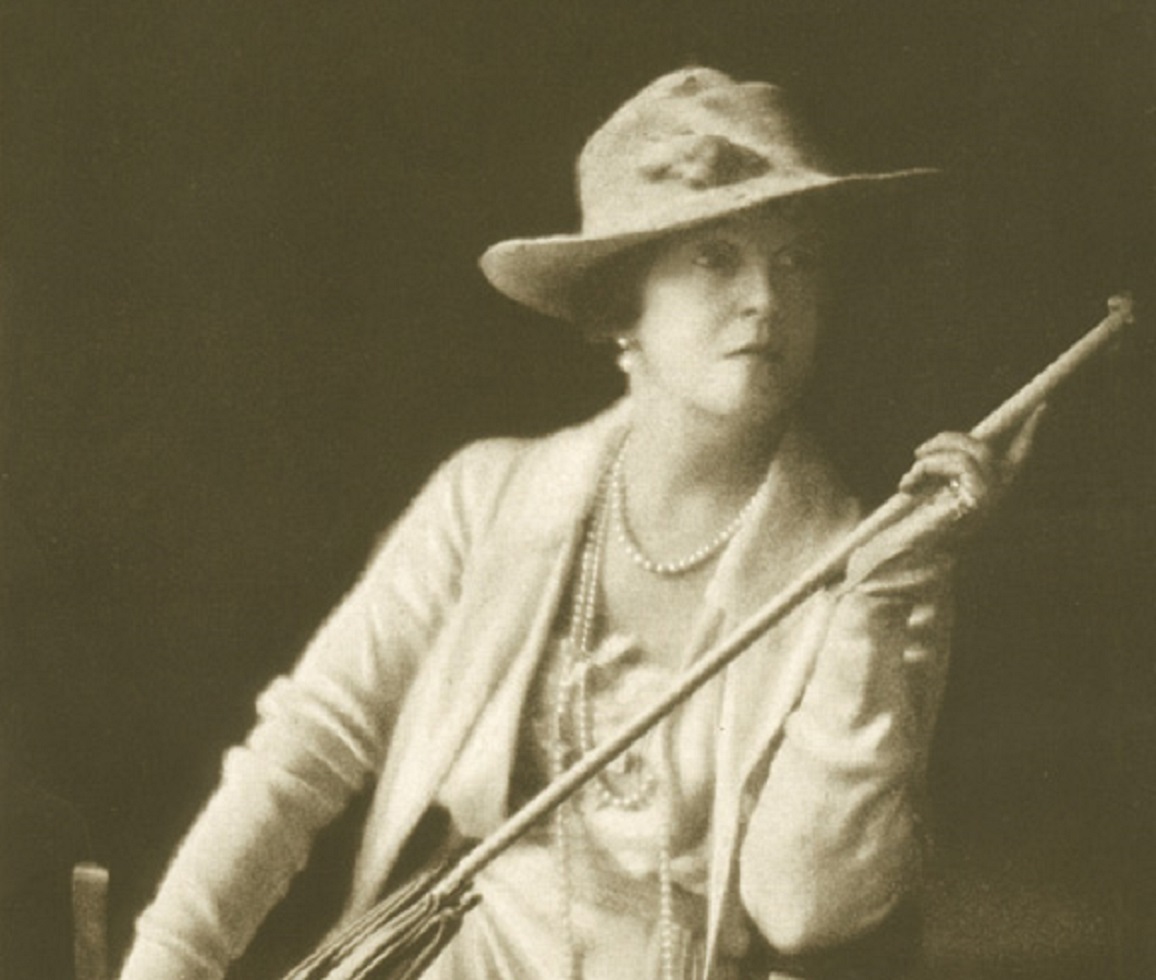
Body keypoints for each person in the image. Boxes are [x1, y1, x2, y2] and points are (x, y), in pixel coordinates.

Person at [118, 67, 1041, 980]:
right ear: (617, 304)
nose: (768, 297)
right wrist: (169, 963)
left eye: (797, 259)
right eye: (717, 257)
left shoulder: (866, 559)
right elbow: (306, 750)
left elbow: (807, 910)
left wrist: (882, 613)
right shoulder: (485, 499)